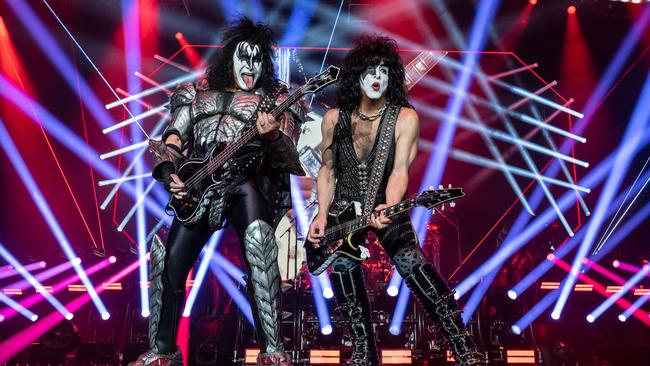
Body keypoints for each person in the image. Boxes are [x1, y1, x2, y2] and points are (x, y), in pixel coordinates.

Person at [129, 17, 305, 366]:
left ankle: (272, 350)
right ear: (231, 58)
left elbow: (287, 156)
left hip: (243, 182)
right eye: (244, 55)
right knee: (167, 261)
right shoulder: (196, 95)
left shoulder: (276, 98)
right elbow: (173, 140)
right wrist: (169, 173)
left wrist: (270, 134)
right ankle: (163, 351)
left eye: (258, 57)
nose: (250, 64)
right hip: (197, 189)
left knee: (259, 244)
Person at [307, 35, 484, 366]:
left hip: (385, 204)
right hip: (342, 211)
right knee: (344, 272)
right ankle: (363, 351)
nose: (377, 78)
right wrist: (320, 215)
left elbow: (400, 170)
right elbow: (327, 170)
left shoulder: (404, 118)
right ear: (356, 76)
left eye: (384, 71)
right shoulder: (334, 118)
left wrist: (389, 205)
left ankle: (462, 345)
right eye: (370, 70)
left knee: (414, 265)